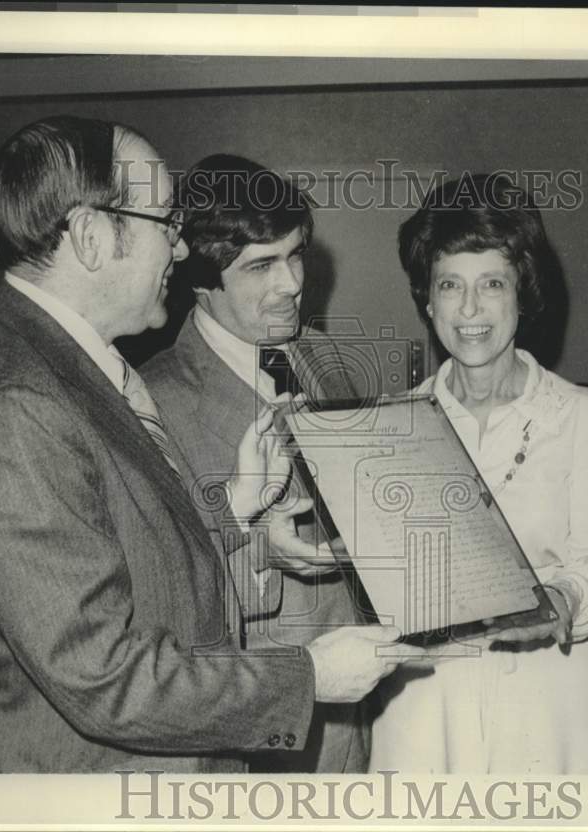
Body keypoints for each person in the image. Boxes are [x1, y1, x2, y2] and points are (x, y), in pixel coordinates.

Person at [0, 116, 420, 773]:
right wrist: (308, 676)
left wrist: (232, 510)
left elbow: (125, 557)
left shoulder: (64, 366)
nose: (178, 249)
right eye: (166, 223)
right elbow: (104, 677)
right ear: (91, 236)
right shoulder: (17, 406)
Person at [368, 175, 588, 774]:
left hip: (553, 702)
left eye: (491, 283)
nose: (469, 310)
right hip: (430, 703)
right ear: (427, 300)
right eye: (449, 286)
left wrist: (563, 599)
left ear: (523, 293)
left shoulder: (583, 418)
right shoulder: (393, 427)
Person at [143, 154, 368, 773]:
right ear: (199, 281)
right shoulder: (149, 402)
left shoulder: (332, 360)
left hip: (358, 720)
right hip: (253, 736)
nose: (293, 283)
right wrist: (257, 553)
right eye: (262, 266)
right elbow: (157, 608)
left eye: (295, 254)